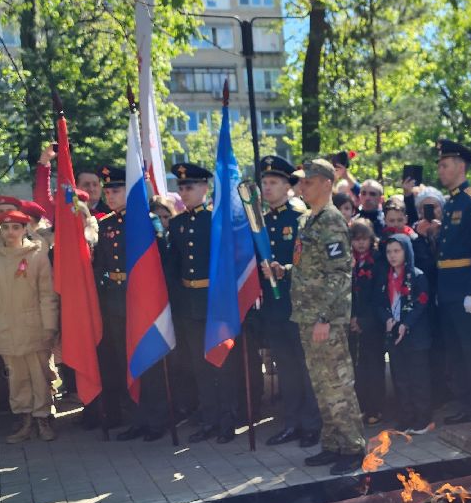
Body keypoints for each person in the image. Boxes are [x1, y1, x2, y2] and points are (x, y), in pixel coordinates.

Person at [288, 158, 365, 472]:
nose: (301, 187)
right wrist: (286, 269)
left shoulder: (332, 220)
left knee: (337, 384)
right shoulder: (309, 220)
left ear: (325, 183)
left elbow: (339, 275)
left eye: (307, 181)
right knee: (322, 385)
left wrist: (323, 317)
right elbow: (311, 268)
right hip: (307, 315)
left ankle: (353, 448)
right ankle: (333, 444)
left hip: (324, 319)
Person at [164, 162, 241, 444]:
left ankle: (227, 420)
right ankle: (208, 419)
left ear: (205, 188)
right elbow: (174, 267)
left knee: (223, 364)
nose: (184, 192)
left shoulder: (216, 220)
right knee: (200, 365)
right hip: (190, 304)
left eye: (190, 186)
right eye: (181, 187)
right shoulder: (177, 223)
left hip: (216, 303)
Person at [90, 167, 168, 441]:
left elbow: (163, 264)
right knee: (127, 362)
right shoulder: (106, 224)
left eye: (117, 190)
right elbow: (101, 264)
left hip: (143, 302)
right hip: (116, 301)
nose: (110, 196)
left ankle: (157, 420)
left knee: (149, 360)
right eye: (108, 191)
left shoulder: (148, 222)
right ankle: (138, 419)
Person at [0, 209, 59, 443]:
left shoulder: (37, 255)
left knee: (39, 374)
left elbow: (47, 294)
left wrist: (49, 326)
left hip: (34, 325)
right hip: (5, 326)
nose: (10, 232)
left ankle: (43, 418)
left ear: (25, 230)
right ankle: (24, 420)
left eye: (16, 227)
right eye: (6, 227)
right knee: (16, 377)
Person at [256, 156, 321, 447]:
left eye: (273, 183)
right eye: (264, 183)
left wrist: (285, 270)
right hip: (274, 306)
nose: (267, 188)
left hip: (299, 304)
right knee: (286, 367)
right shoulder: (264, 221)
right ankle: (291, 422)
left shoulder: (300, 217)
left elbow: (311, 263)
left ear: (287, 185)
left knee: (306, 366)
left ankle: (312, 424)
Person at [433, 139, 471, 424]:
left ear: (460, 166)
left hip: (466, 291)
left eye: (444, 165)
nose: (440, 171)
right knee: (456, 352)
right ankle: (465, 403)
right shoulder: (451, 203)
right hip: (448, 290)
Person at [379, 232, 432, 433]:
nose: (392, 256)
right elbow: (379, 302)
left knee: (418, 377)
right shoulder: (385, 277)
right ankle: (406, 416)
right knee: (400, 377)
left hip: (415, 335)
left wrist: (406, 323)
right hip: (394, 333)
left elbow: (422, 302)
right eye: (389, 251)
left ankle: (423, 418)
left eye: (397, 251)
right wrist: (387, 319)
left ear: (406, 252)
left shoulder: (417, 276)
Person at [348, 217, 386, 425]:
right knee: (357, 367)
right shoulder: (348, 261)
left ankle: (375, 408)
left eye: (365, 239)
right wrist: (352, 317)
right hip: (353, 320)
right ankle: (361, 406)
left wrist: (364, 319)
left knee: (374, 365)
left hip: (372, 321)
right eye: (356, 239)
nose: (361, 243)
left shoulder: (378, 261)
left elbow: (379, 295)